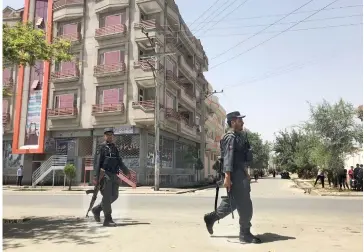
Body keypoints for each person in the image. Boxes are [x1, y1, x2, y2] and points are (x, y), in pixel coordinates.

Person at [203, 111, 261, 244]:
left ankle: (211, 218)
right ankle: (244, 234)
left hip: (239, 173)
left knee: (233, 202)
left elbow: (240, 158)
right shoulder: (230, 137)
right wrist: (228, 177)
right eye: (240, 120)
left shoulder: (238, 136)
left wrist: (246, 172)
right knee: (245, 204)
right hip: (234, 175)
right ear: (233, 122)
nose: (243, 122)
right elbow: (228, 159)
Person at [92, 128, 130, 226]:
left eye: (111, 135)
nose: (110, 136)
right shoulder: (101, 147)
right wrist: (96, 177)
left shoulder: (114, 148)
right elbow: (97, 163)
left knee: (115, 196)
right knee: (107, 196)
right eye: (108, 134)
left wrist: (126, 170)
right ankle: (107, 219)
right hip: (105, 175)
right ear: (104, 136)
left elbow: (119, 161)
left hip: (114, 174)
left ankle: (97, 209)